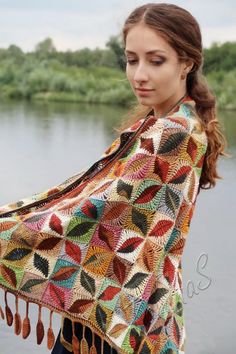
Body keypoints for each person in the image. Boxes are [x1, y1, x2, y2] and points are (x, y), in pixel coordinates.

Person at [0, 3, 228, 354]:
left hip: (121, 316)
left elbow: (88, 212)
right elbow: (78, 190)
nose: (139, 74)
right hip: (119, 303)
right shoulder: (155, 125)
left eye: (155, 61)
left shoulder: (173, 134)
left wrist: (8, 231)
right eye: (131, 59)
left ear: (187, 63)